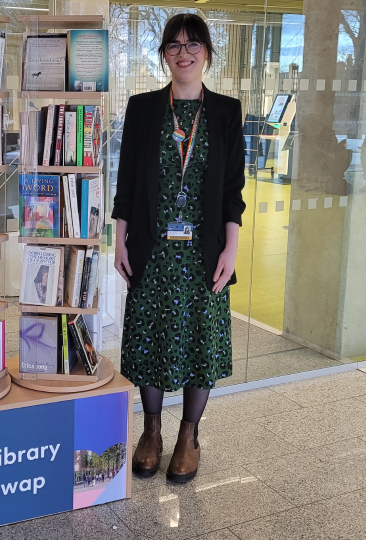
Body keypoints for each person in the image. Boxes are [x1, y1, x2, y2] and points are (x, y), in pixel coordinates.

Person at [112, 13, 246, 484]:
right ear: (164, 54)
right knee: (149, 336)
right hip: (152, 247)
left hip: (204, 252)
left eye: (193, 44)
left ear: (207, 53)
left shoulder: (227, 112)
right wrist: (119, 239)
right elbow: (126, 181)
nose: (183, 52)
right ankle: (151, 431)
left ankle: (188, 434)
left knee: (199, 340)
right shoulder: (144, 108)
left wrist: (231, 249)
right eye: (174, 45)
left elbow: (233, 191)